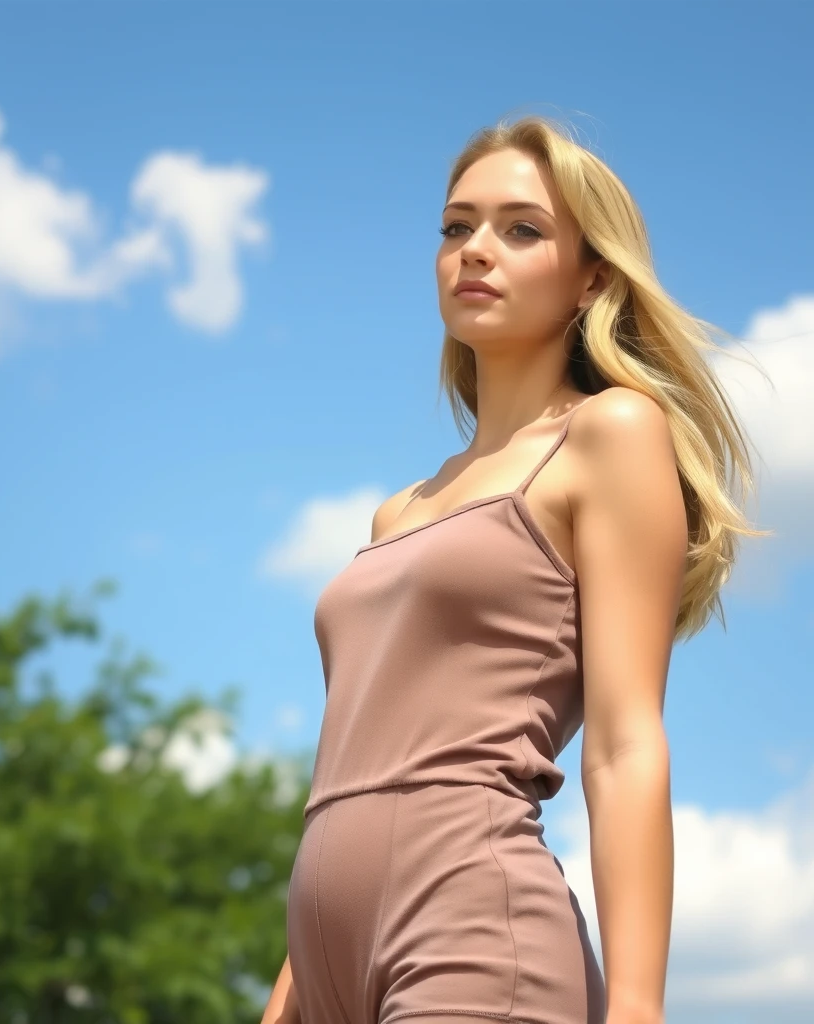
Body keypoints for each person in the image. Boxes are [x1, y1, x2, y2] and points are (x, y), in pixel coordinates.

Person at [261, 114, 767, 1024]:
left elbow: (623, 745)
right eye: (457, 227)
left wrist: (640, 1009)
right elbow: (347, 772)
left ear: (591, 278)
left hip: (471, 929)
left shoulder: (609, 435)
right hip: (323, 963)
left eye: (521, 229)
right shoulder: (398, 511)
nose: (476, 251)